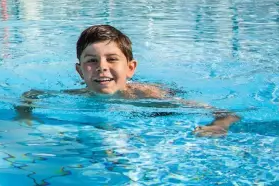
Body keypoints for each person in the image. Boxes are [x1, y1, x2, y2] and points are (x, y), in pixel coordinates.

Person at [16, 24, 240, 137]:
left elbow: (227, 113)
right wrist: (24, 118)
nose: (102, 67)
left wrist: (218, 125)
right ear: (80, 72)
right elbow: (31, 95)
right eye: (91, 61)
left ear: (131, 68)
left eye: (112, 59)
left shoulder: (149, 97)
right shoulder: (76, 96)